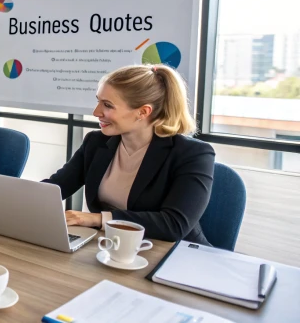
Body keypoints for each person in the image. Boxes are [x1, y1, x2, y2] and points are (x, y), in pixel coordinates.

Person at [44, 64, 215, 244]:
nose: (96, 112)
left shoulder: (193, 154)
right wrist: (19, 199)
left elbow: (174, 225)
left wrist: (96, 219)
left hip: (174, 255)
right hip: (114, 245)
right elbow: (56, 188)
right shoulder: (96, 142)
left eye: (107, 105)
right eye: (98, 101)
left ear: (143, 112)